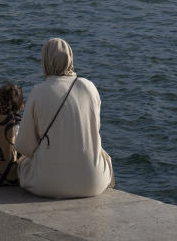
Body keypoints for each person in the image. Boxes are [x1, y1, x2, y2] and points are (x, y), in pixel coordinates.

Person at [15, 38, 113, 198]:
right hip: (93, 183)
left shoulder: (38, 92)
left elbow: (24, 146)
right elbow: (95, 130)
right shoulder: (89, 87)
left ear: (45, 60)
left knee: (22, 164)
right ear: (70, 58)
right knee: (104, 157)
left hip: (47, 184)